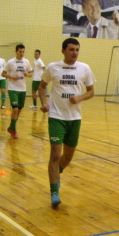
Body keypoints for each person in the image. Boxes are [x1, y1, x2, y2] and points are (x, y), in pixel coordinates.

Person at [39, 38, 95, 208]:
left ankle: (57, 172)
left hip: (74, 118)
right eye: (71, 49)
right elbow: (42, 86)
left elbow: (91, 92)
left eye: (77, 49)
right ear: (63, 50)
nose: (74, 53)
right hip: (56, 116)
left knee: (68, 156)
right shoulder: (52, 67)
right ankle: (54, 191)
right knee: (55, 154)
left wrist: (79, 98)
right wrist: (43, 103)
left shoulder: (84, 68)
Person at [2, 44, 32, 139]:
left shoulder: (26, 62)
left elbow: (31, 73)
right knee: (14, 109)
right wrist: (11, 77)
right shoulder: (10, 62)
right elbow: (3, 74)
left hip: (22, 89)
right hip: (12, 88)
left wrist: (28, 74)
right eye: (20, 51)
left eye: (23, 51)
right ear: (16, 51)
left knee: (19, 110)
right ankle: (14, 130)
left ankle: (11, 127)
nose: (22, 53)